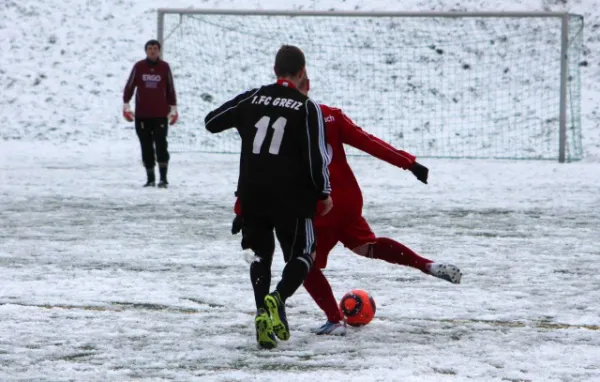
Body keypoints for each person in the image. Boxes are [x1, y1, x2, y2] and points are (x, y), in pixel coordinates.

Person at [233, 76, 462, 336]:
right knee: (368, 246)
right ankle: (426, 265)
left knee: (302, 263)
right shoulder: (331, 116)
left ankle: (333, 319)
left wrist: (242, 207)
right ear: (307, 84)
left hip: (316, 205)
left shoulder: (282, 120)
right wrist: (409, 163)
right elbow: (369, 142)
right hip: (347, 200)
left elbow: (259, 169)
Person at [204, 45, 333, 349]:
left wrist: (245, 122)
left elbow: (212, 121)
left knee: (260, 255)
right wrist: (324, 193)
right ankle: (278, 299)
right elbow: (317, 159)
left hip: (252, 193)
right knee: (304, 252)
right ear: (301, 72)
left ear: (275, 70)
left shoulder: (251, 97)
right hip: (291, 196)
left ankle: (263, 313)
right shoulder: (306, 106)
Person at [123, 39, 178, 188]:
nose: (152, 51)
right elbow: (130, 85)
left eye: (155, 48)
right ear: (146, 51)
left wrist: (173, 108)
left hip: (160, 115)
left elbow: (170, 88)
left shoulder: (164, 67)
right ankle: (150, 178)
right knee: (146, 146)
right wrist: (126, 104)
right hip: (142, 115)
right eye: (149, 48)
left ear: (159, 50)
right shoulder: (139, 67)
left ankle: (163, 178)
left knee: (161, 145)